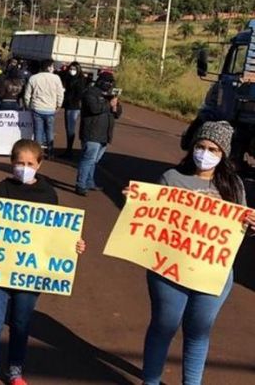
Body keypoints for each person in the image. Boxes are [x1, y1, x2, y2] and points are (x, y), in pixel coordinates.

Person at [0, 139, 86, 385]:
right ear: (12, 163)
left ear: (40, 164)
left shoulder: (48, 195)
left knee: (21, 324)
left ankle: (15, 372)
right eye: (19, 163)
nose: (24, 167)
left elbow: (57, 234)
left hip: (29, 273)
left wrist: (73, 245)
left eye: (30, 163)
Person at [134, 121, 255, 385]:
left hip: (214, 273)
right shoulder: (171, 178)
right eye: (201, 146)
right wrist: (137, 203)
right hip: (169, 270)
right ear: (192, 147)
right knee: (163, 327)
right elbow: (150, 220)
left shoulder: (233, 185)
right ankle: (151, 381)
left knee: (199, 332)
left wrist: (251, 224)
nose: (205, 152)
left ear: (223, 153)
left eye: (213, 148)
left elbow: (239, 229)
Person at [75, 72, 121, 196]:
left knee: (94, 160)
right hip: (92, 133)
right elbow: (94, 108)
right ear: (101, 81)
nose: (109, 85)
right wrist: (108, 104)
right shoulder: (90, 92)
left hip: (104, 134)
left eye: (111, 82)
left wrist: (115, 106)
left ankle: (89, 182)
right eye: (108, 82)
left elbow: (117, 114)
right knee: (88, 159)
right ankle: (81, 184)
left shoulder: (110, 95)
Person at [23, 59, 64, 159]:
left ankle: (37, 153)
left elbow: (27, 94)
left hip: (37, 108)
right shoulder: (56, 78)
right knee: (49, 131)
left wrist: (28, 105)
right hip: (50, 108)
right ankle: (50, 152)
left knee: (38, 132)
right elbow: (60, 93)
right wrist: (59, 105)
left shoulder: (34, 78)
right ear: (49, 67)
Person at [60, 62, 86, 158]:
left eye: (74, 69)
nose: (72, 71)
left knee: (71, 128)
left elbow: (79, 95)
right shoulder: (68, 78)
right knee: (68, 127)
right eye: (70, 69)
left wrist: (68, 97)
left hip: (74, 106)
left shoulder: (80, 80)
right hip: (68, 105)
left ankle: (69, 150)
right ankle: (68, 149)